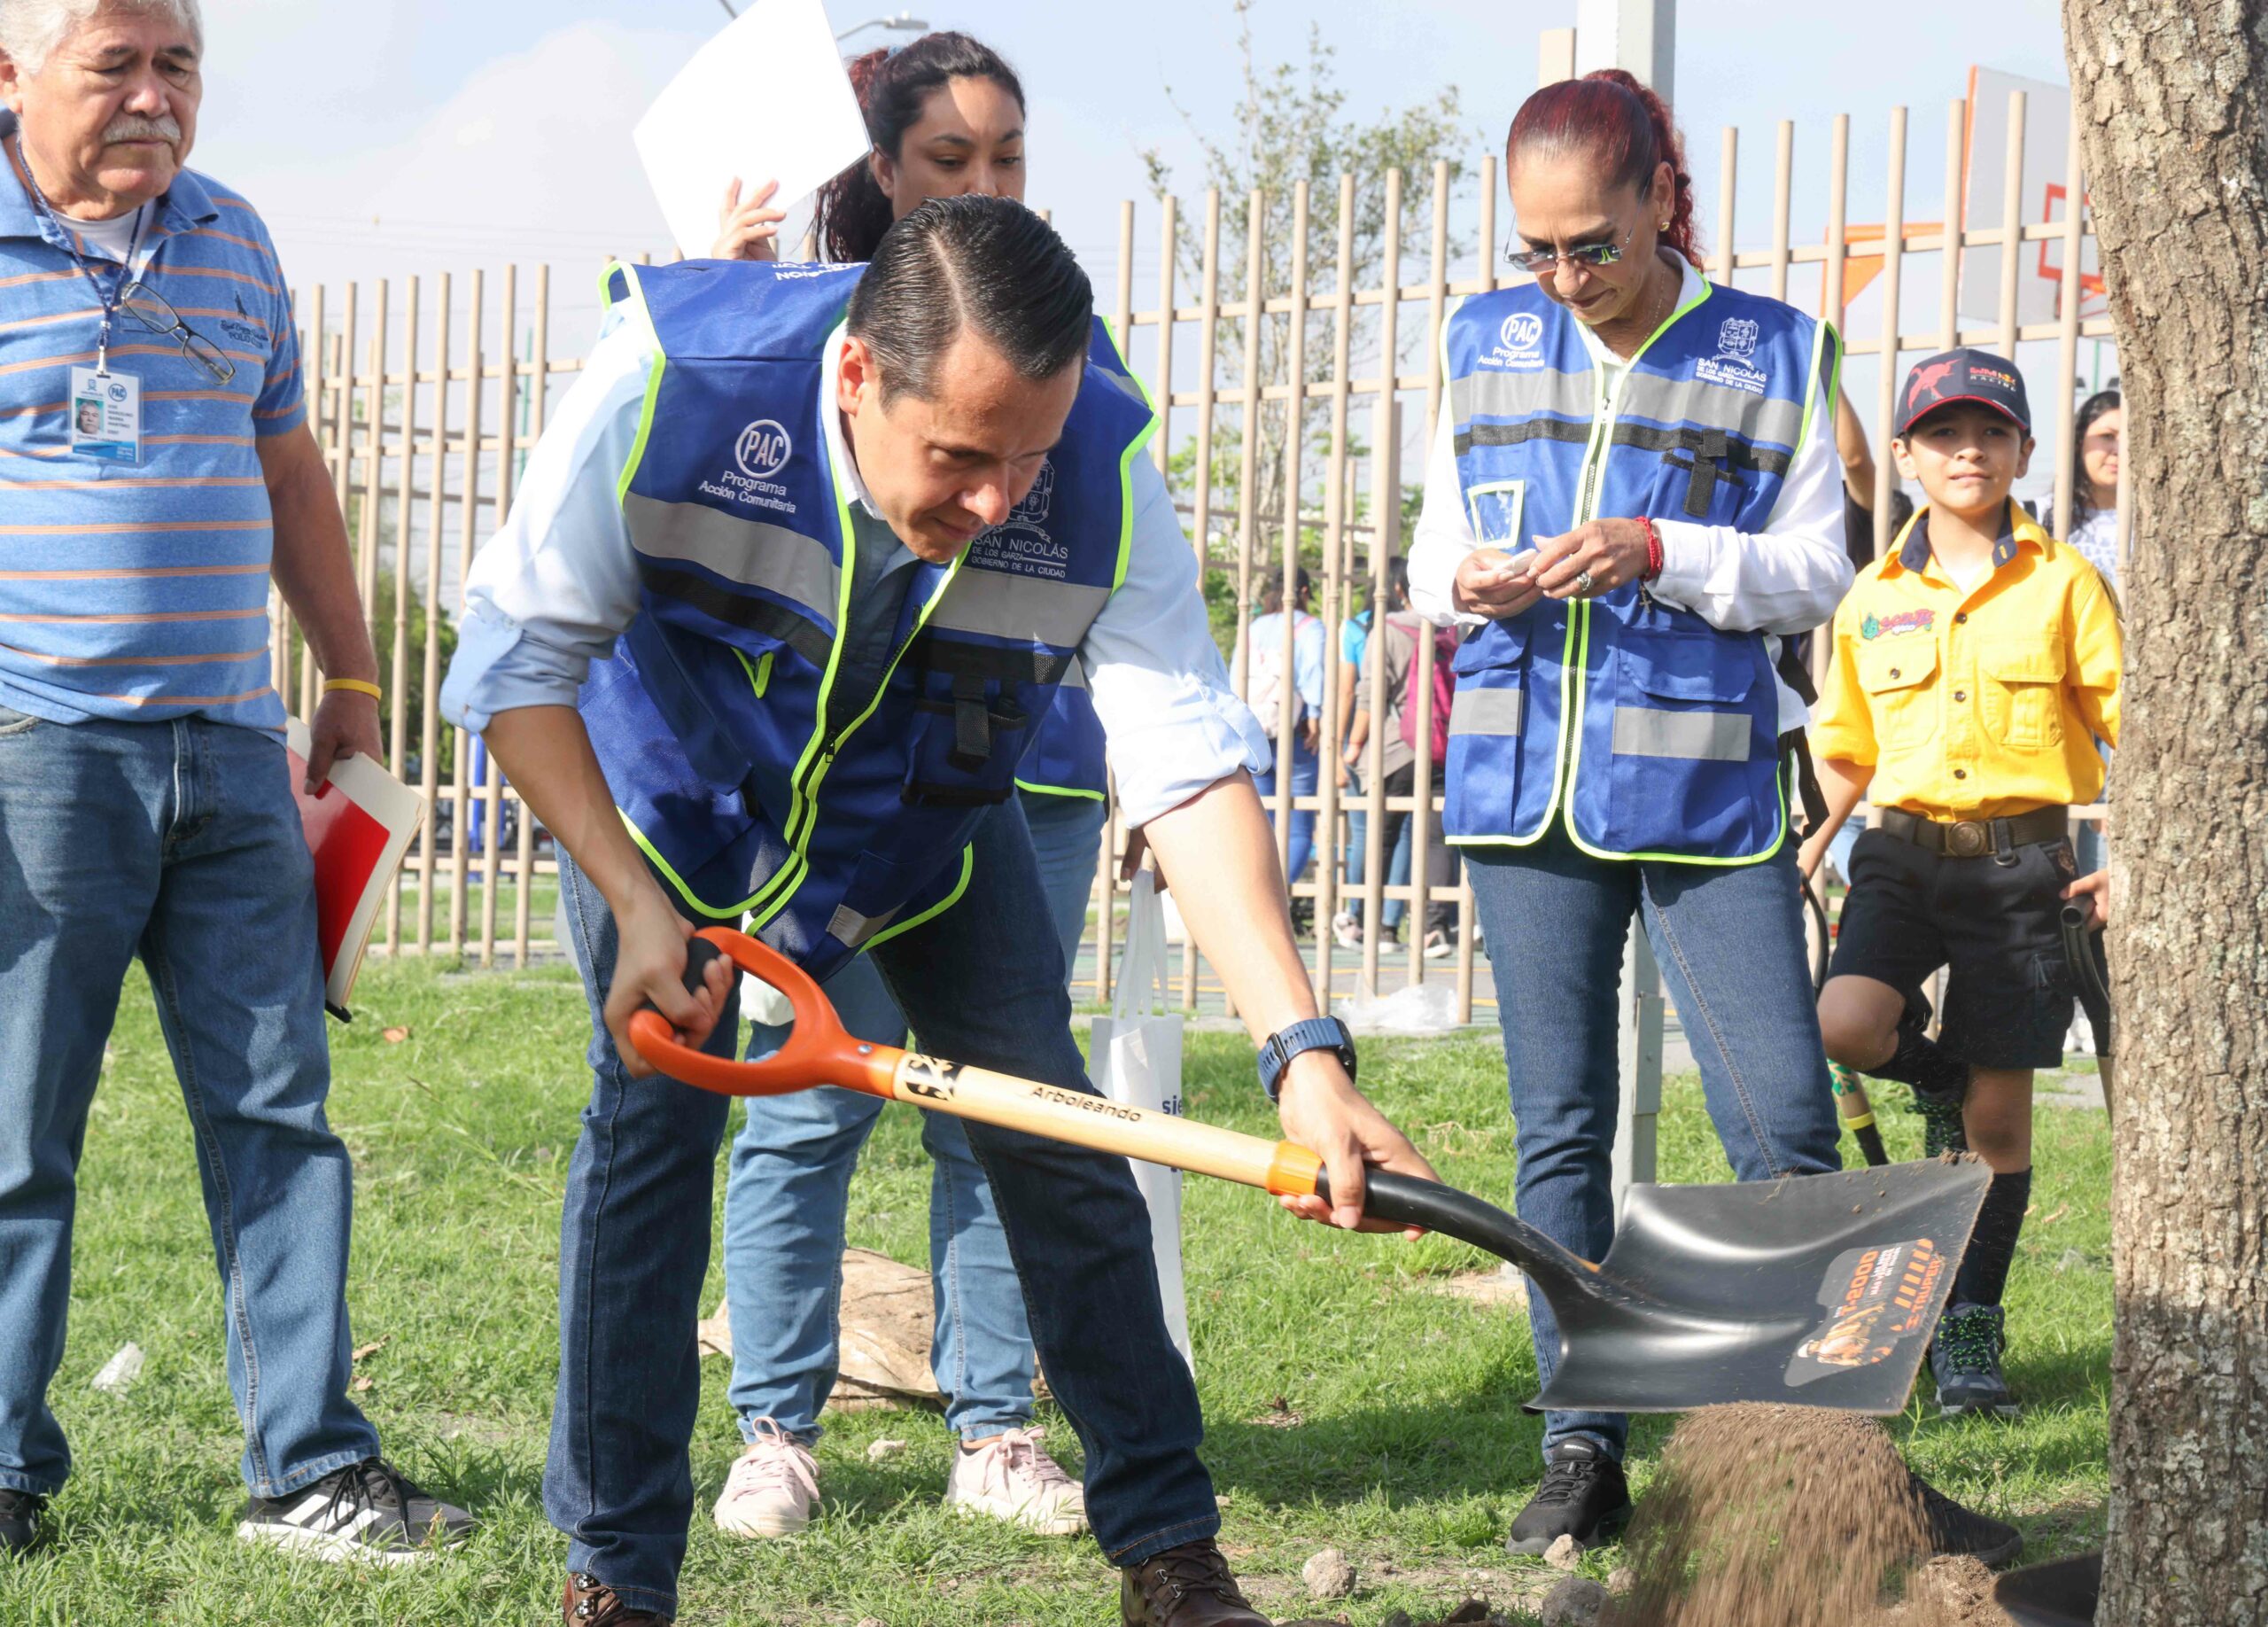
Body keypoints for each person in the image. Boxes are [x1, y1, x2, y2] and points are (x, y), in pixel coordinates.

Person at [442, 196, 1436, 1627]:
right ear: (857, 376)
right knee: (647, 1150)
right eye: (963, 458)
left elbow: (1183, 753)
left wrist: (1306, 1053)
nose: (1000, 503)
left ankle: (1172, 1556)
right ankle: (617, 1581)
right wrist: (630, 899)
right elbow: (511, 663)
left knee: (1056, 1135)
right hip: (668, 820)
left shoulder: (1102, 458)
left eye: (1027, 457)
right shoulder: (672, 379)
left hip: (921, 832)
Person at [1409, 70, 2019, 1567]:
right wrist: (1465, 584)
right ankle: (1582, 1450)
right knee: (1560, 1129)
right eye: (1535, 251)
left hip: (1705, 792)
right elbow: (1432, 547)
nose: (1562, 282)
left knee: (1781, 1126)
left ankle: (1799, 1461)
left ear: (1660, 201)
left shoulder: (1780, 352)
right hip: (1520, 781)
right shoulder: (1481, 340)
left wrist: (1660, 548)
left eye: (1590, 247)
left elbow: (1823, 571)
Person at [0, 0, 472, 1562]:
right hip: (38, 756)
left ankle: (310, 1470)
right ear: (13, 74)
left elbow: (287, 465)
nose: (152, 97)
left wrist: (345, 673)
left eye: (177, 66)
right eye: (114, 64)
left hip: (234, 753)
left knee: (279, 1116)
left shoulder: (233, 236)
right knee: (15, 1137)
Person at [700, 31, 1098, 1544]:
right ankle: (775, 1425)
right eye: (951, 161)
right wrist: (716, 276)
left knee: (996, 1112)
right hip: (850, 790)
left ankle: (998, 1426)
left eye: (1008, 161)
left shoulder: (1060, 344)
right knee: (805, 1103)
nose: (988, 187)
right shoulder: (807, 343)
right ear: (877, 171)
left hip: (1030, 770)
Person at [1803, 348, 2121, 1421]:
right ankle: (1930, 1076)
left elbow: (2136, 728)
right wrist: (1815, 840)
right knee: (1845, 1024)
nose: (1967, 452)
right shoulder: (1872, 594)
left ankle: (1970, 1329)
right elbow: (1844, 741)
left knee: (1997, 1129)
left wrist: (2126, 851)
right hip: (1897, 856)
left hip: (2027, 865)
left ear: (2025, 452)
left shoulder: (2066, 583)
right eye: (1942, 434)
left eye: (1990, 433)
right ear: (1904, 456)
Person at [1339, 559, 1455, 954]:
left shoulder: (1387, 629)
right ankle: (1435, 928)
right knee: (1437, 841)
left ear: (1400, 590)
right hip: (1443, 746)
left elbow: (1371, 697)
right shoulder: (1452, 628)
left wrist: (1352, 746)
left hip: (1395, 749)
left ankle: (1376, 927)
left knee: (1381, 837)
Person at [2046, 388, 2121, 881]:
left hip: (2121, 684)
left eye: (2131, 437)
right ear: (2078, 444)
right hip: (2061, 685)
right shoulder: (2048, 517)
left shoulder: (2160, 517)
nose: (2119, 450)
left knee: (2116, 829)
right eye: (2106, 437)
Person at [1235, 565, 1325, 898]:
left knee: (1262, 817)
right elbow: (1314, 670)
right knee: (1298, 820)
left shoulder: (1254, 626)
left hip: (1253, 728)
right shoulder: (1310, 627)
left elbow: (1236, 672)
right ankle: (1277, 898)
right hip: (1297, 729)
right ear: (1303, 593)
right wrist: (1316, 713)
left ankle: (1257, 896)